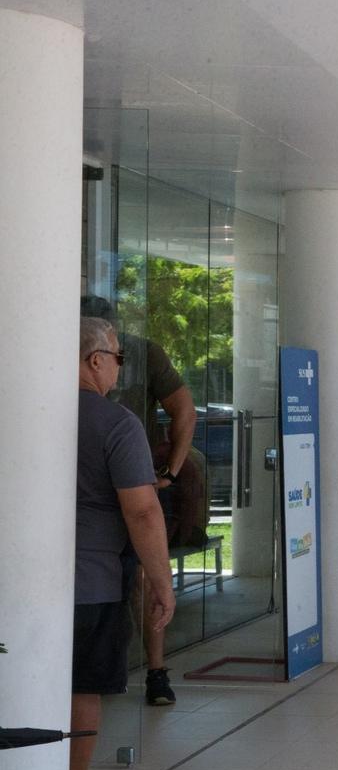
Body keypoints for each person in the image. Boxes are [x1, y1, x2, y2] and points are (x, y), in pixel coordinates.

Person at [70, 318, 176, 770]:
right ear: (96, 360)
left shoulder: (23, 405)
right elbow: (142, 510)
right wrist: (160, 581)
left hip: (22, 581)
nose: (118, 368)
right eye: (117, 358)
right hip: (90, 579)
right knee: (82, 685)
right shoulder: (115, 423)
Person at [81, 296, 195, 707]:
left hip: (132, 482)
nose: (120, 362)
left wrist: (172, 472)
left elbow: (184, 409)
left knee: (144, 578)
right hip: (100, 503)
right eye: (115, 355)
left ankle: (156, 669)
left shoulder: (146, 352)